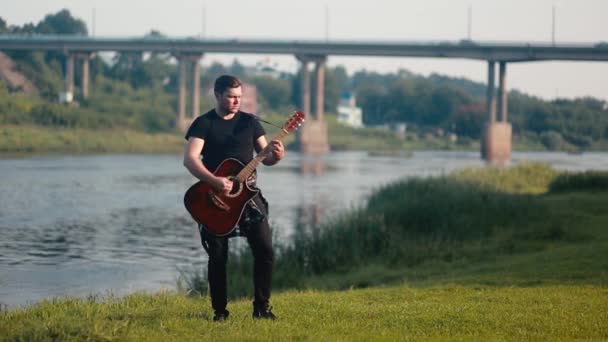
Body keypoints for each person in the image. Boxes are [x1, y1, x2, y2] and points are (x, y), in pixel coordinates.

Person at [183, 75, 284, 321]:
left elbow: (265, 157)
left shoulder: (250, 122)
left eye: (239, 97)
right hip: (214, 197)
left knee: (266, 250)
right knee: (218, 257)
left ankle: (261, 308)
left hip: (248, 197)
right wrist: (215, 181)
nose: (236, 101)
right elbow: (190, 159)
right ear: (217, 95)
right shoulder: (203, 123)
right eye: (230, 97)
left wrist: (277, 156)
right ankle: (220, 312)